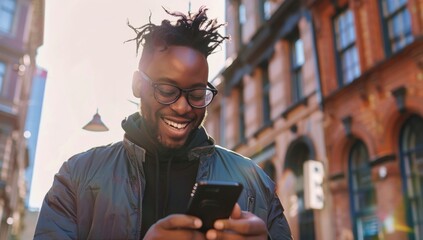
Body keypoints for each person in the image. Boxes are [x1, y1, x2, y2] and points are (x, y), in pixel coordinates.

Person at [34, 6, 292, 240]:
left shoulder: (255, 182)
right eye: (167, 90)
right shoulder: (77, 177)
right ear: (137, 84)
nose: (182, 107)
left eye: (197, 94)